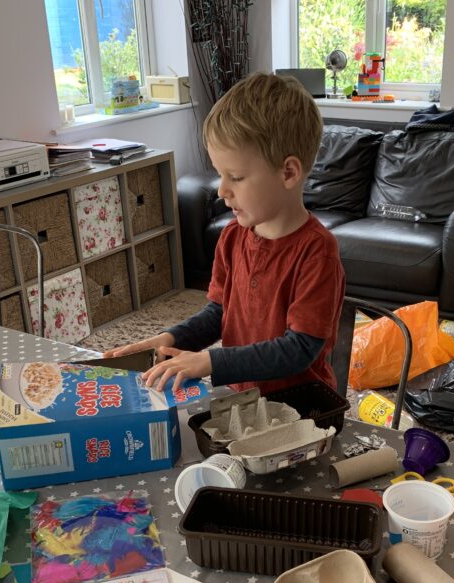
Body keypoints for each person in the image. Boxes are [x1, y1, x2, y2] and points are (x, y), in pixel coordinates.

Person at [106, 71, 345, 395]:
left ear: (288, 172)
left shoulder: (317, 252)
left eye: (235, 176)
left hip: (302, 408)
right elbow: (219, 313)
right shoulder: (232, 237)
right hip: (243, 397)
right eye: (220, 175)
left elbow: (300, 349)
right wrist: (173, 338)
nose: (221, 190)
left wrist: (211, 362)